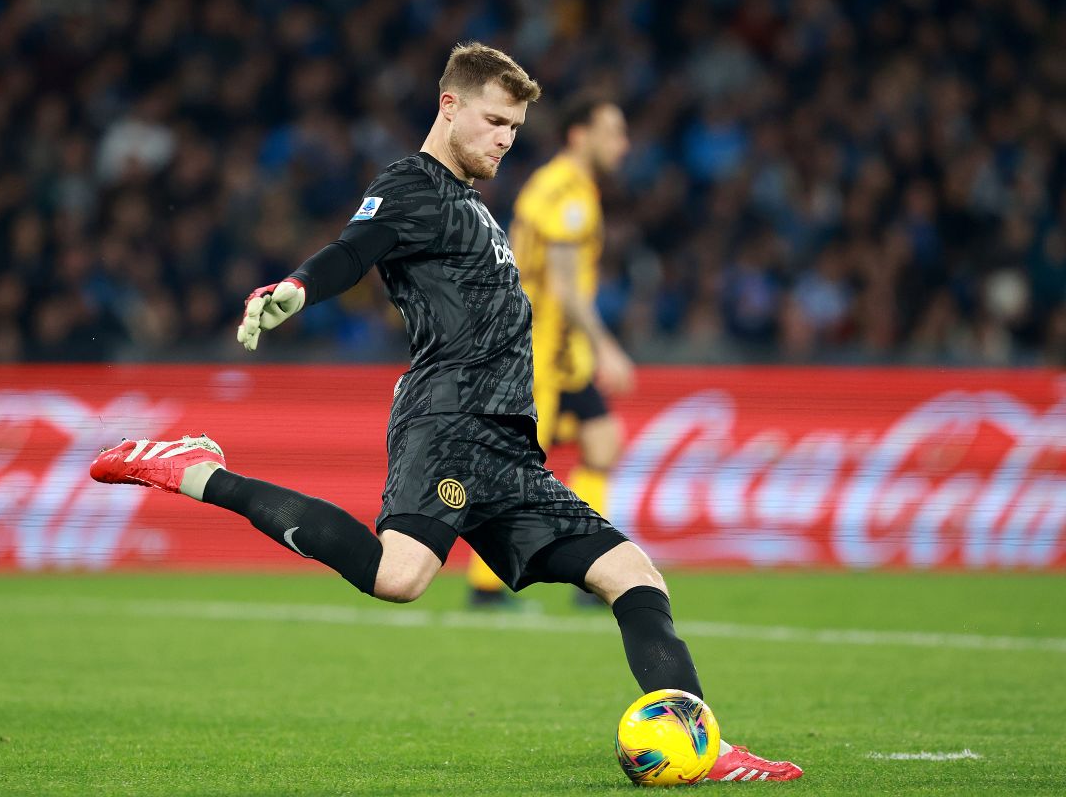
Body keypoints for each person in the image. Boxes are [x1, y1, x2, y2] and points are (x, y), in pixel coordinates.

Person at [90, 42, 801, 783]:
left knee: (634, 573)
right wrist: (295, 289)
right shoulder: (410, 185)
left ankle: (704, 745)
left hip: (509, 445)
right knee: (400, 576)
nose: (504, 139)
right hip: (450, 419)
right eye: (494, 120)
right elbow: (353, 248)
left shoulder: (473, 206)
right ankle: (196, 471)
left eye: (516, 129)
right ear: (449, 105)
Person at [466, 96, 636, 609]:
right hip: (540, 350)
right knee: (514, 464)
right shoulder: (569, 193)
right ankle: (486, 585)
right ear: (579, 135)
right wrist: (607, 346)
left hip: (557, 350)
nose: (622, 145)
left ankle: (591, 573)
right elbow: (563, 285)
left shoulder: (557, 183)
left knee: (602, 440)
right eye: (612, 133)